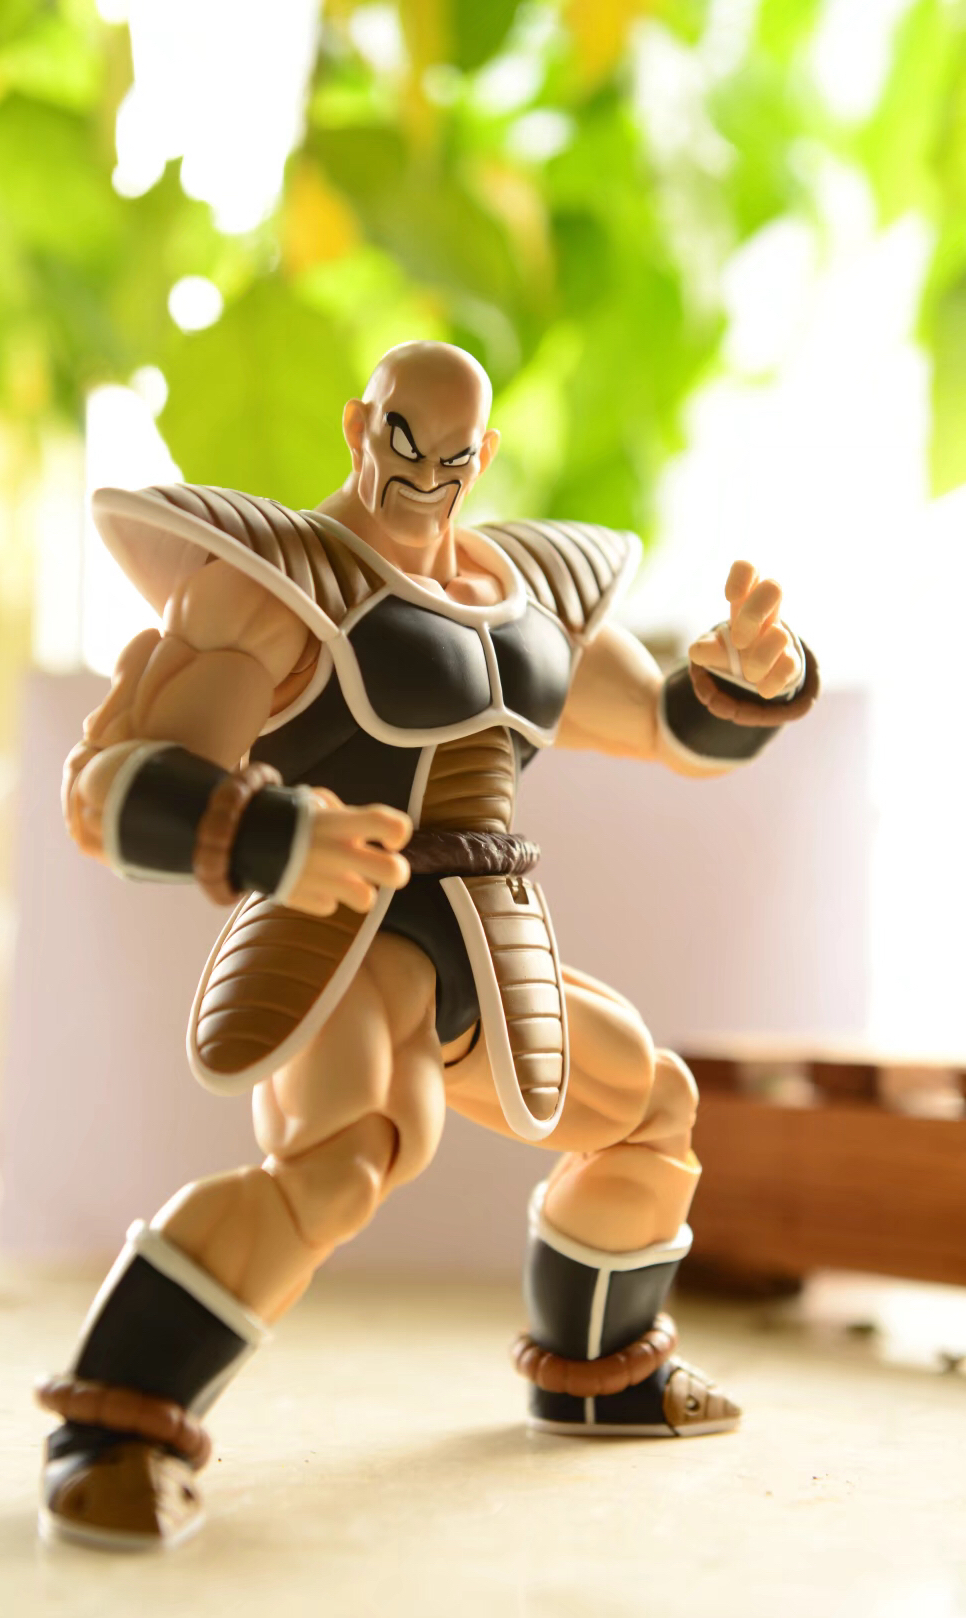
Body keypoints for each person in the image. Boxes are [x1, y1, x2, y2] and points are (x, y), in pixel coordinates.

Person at [40, 341, 818, 1549]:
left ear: (485, 455)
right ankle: (114, 1426)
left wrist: (744, 686)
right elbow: (115, 786)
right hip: (349, 934)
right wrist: (271, 833)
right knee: (343, 1161)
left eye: (454, 455)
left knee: (650, 1103)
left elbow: (666, 727)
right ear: (361, 424)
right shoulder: (276, 585)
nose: (426, 472)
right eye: (405, 439)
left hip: (490, 938)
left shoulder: (528, 589)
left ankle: (600, 1372)